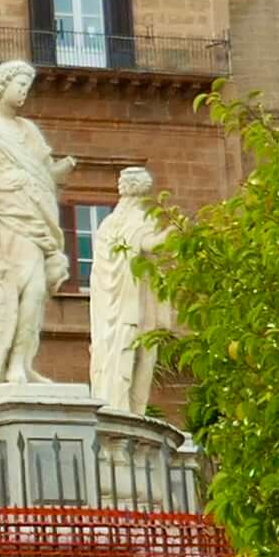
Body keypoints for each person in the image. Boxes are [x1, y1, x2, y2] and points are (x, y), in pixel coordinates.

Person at [0, 57, 74, 394]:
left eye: (27, 87)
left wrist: (62, 169)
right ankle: (11, 363)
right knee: (23, 289)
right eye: (19, 85)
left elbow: (45, 172)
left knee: (36, 294)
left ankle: (22, 362)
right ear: (1, 87)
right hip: (8, 216)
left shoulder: (29, 131)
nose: (24, 92)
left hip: (36, 214)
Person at [87, 165, 178, 420]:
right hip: (130, 304)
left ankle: (128, 412)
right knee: (141, 357)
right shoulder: (139, 219)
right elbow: (149, 244)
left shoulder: (107, 224)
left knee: (122, 357)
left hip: (114, 305)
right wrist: (174, 231)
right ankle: (132, 414)